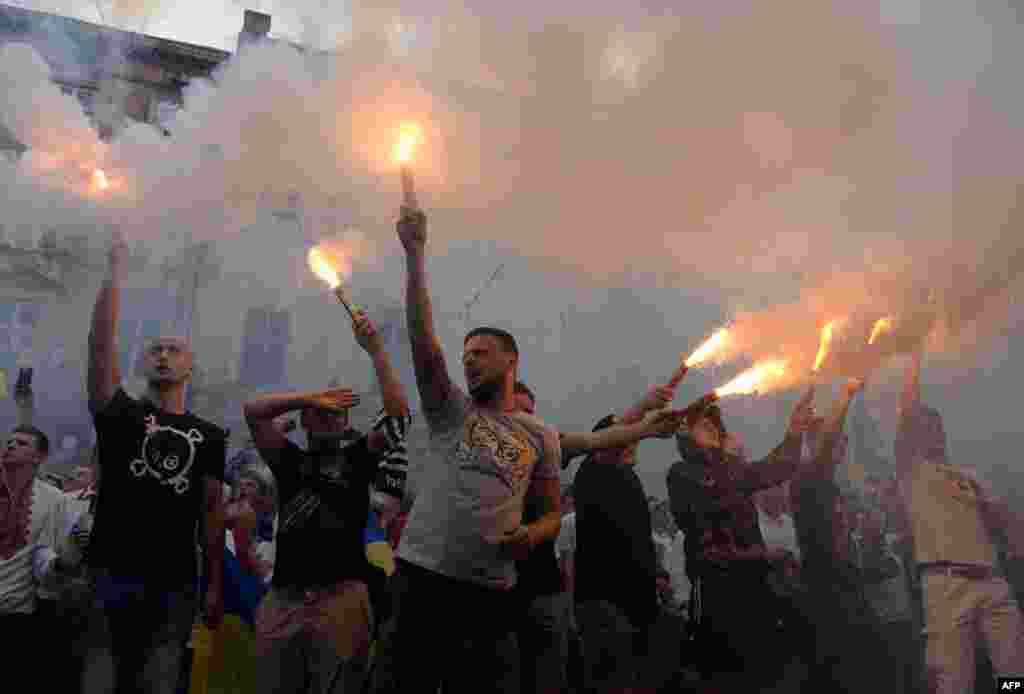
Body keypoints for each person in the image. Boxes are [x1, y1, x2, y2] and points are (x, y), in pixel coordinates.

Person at [389, 204, 562, 694]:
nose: (468, 362)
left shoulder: (540, 436)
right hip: (422, 576)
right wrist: (414, 254)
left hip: (489, 591)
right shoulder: (451, 410)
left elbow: (551, 513)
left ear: (511, 359)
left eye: (480, 353)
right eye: (464, 355)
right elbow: (424, 342)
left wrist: (533, 534)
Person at [85, 230, 227, 694]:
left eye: (174, 350)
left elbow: (211, 514)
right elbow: (100, 347)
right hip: (111, 566)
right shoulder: (121, 412)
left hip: (174, 579)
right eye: (156, 350)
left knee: (162, 678)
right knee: (101, 673)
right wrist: (115, 273)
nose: (163, 355)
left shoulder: (208, 435)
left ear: (190, 366)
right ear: (145, 362)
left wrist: (213, 585)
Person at [243, 310, 411, 694]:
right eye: (320, 411)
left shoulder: (357, 457)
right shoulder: (289, 460)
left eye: (338, 411)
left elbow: (400, 418)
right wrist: (308, 395)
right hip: (284, 601)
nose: (331, 416)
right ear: (305, 421)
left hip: (342, 601)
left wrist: (377, 351)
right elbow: (253, 411)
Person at [666, 388, 813, 691]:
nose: (713, 430)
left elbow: (777, 468)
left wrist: (795, 430)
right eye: (703, 425)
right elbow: (709, 528)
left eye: (714, 424)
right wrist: (766, 556)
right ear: (687, 437)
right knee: (726, 679)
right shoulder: (681, 474)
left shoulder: (732, 469)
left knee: (764, 675)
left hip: (755, 593)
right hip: (718, 599)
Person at [895, 349, 1024, 692]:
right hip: (947, 585)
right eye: (926, 428)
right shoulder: (913, 472)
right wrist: (914, 360)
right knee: (954, 685)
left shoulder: (969, 475)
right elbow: (907, 414)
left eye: (936, 427)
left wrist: (997, 511)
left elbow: (1010, 527)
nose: (933, 433)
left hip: (994, 583)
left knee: (1014, 679)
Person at [0, 426, 79, 680]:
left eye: (22, 443)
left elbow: (45, 555)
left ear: (40, 457)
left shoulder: (55, 499)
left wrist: (61, 565)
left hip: (18, 614)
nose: (11, 445)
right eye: (10, 441)